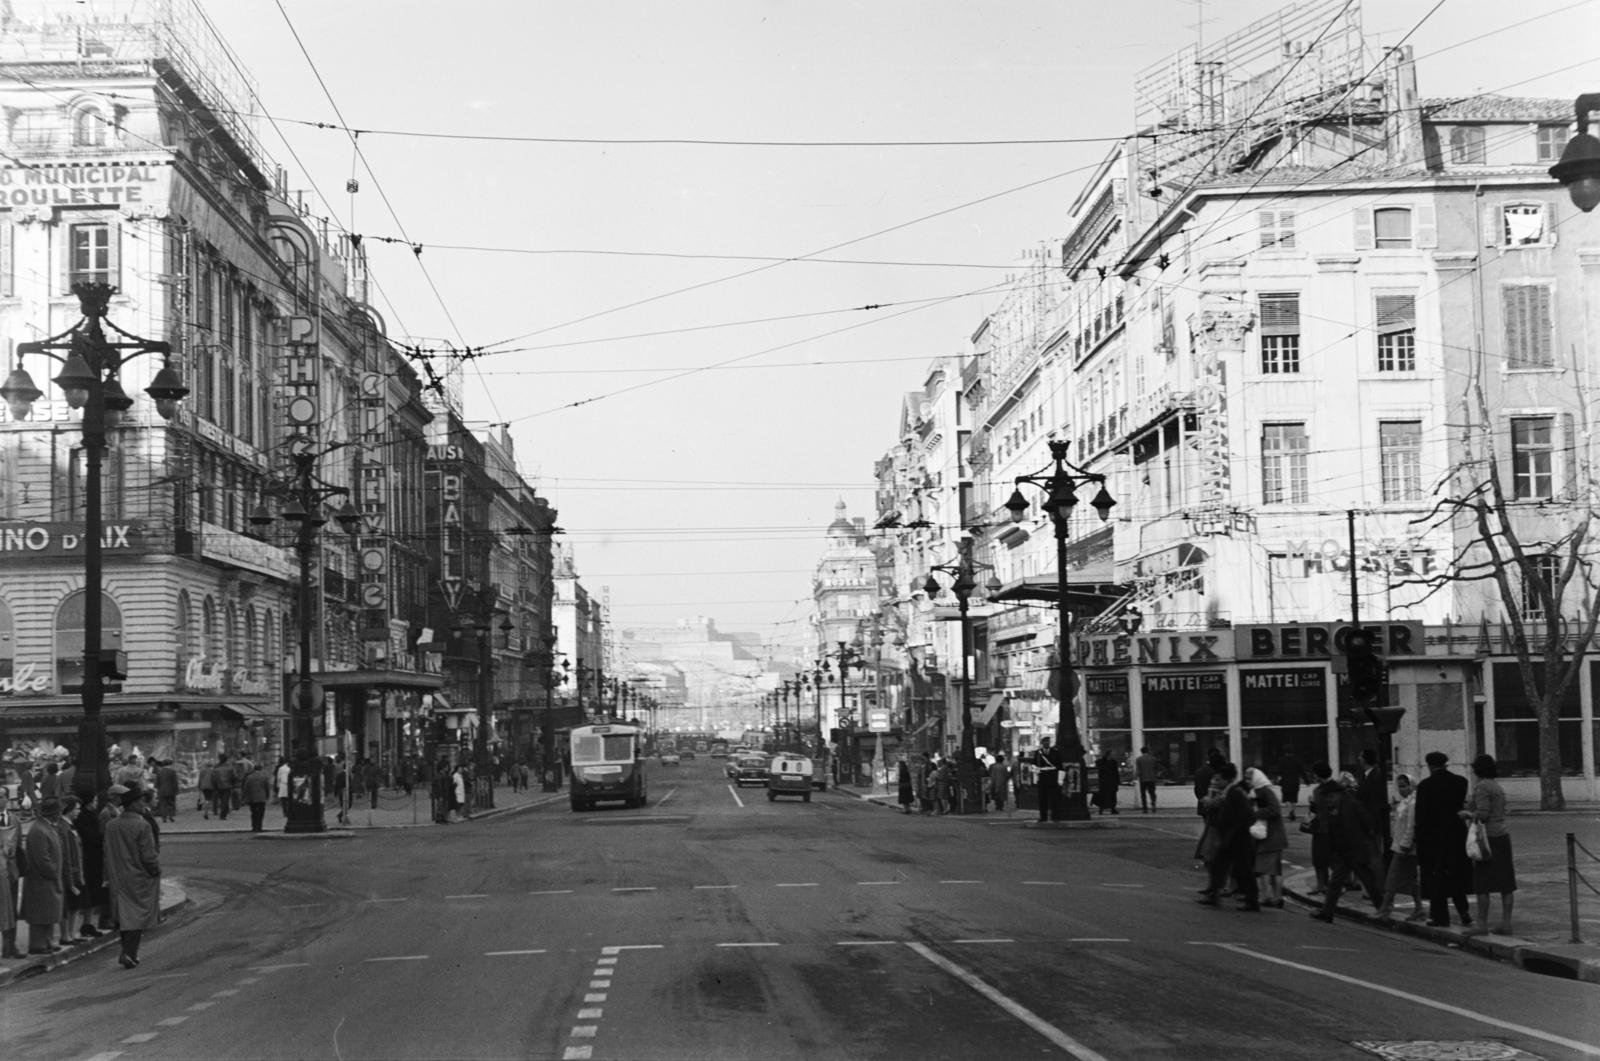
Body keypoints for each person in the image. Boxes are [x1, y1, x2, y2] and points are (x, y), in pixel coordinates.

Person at [1310, 770, 1384, 923]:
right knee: (1335, 883)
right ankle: (1327, 912)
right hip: (1346, 852)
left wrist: (1365, 844)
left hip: (1356, 851)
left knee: (1369, 882)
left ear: (1337, 794)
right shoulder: (1336, 806)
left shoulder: (1351, 805)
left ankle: (1382, 910)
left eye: (1330, 797)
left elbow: (1367, 822)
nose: (1328, 800)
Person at [1413, 751, 1473, 928]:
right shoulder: (1460, 782)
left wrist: (1419, 837)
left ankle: (1440, 916)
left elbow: (1421, 815)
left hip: (1434, 837)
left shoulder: (1426, 786)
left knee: (1436, 878)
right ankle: (1464, 911)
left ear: (1430, 766)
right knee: (1456, 875)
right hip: (1456, 834)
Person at [104, 787, 160, 969]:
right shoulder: (142, 825)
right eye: (141, 802)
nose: (144, 805)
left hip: (117, 875)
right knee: (137, 915)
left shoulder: (111, 825)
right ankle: (129, 952)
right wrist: (154, 870)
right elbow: (148, 854)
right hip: (137, 875)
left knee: (124, 915)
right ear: (134, 804)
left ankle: (127, 951)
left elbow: (106, 852)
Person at [1462, 754, 1516, 936]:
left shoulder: (1482, 786)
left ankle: (1482, 923)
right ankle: (1506, 923)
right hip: (1502, 834)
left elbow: (1483, 814)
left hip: (1487, 838)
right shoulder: (1497, 786)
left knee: (1482, 882)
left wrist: (1467, 814)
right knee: (1505, 882)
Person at [1376, 773, 1425, 921]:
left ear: (1411, 786)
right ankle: (1418, 907)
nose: (1402, 789)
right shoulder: (1404, 802)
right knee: (1411, 879)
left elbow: (1411, 826)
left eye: (1404, 786)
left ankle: (1385, 907)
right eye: (1400, 787)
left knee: (1392, 877)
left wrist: (1405, 844)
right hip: (1400, 845)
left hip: (1405, 847)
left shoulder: (1413, 803)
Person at [22, 796, 65, 954]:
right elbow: (42, 858)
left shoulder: (47, 827)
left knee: (49, 913)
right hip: (42, 879)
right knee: (41, 914)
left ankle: (47, 941)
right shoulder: (39, 830)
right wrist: (53, 871)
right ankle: (38, 944)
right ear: (54, 813)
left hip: (49, 879)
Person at [1245, 767, 1287, 907]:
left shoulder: (1266, 792)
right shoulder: (1256, 792)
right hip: (1269, 836)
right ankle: (1277, 897)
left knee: (1263, 867)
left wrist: (1256, 812)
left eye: (1249, 778)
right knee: (1274, 869)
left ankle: (1267, 896)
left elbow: (1274, 810)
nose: (1247, 781)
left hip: (1270, 836)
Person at [73, 791, 107, 940]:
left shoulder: (89, 816)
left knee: (92, 893)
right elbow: (89, 837)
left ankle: (88, 923)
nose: (96, 803)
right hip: (88, 859)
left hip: (93, 858)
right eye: (94, 800)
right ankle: (86, 924)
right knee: (89, 892)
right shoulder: (83, 818)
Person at [55, 796, 85, 946]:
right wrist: (70, 879)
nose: (79, 811)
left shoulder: (69, 826)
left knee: (75, 905)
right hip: (70, 873)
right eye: (77, 808)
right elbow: (66, 854)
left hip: (75, 871)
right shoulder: (64, 828)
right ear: (70, 809)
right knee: (68, 905)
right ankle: (66, 935)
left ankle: (71, 934)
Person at [1356, 748, 1392, 856]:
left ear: (1365, 759)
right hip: (1370, 820)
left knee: (1373, 852)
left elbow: (1373, 800)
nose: (1359, 759)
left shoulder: (1375, 776)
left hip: (1372, 820)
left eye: (1361, 756)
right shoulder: (1368, 775)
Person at [0, 787, 22, 959]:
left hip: (11, 870)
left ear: (7, 798)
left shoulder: (14, 819)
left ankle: (10, 947)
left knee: (12, 909)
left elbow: (19, 846)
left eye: (1, 797)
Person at [1033, 739, 1062, 822]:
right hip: (1042, 778)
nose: (1047, 743)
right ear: (1042, 743)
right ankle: (1043, 817)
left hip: (1053, 778)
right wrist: (1036, 776)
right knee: (1042, 799)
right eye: (1045, 742)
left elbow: (1059, 766)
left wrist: (1060, 779)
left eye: (1048, 742)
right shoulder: (1038, 753)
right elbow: (1034, 765)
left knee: (1054, 799)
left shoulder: (1055, 752)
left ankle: (1055, 816)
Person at [1275, 744, 1306, 821]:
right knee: (1294, 798)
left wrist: (1278, 780)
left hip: (1285, 782)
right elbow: (1301, 771)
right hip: (1295, 781)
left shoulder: (1281, 760)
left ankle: (1290, 810)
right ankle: (1293, 811)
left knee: (1286, 798)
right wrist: (1306, 780)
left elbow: (1279, 772)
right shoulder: (1297, 760)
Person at [241, 761, 272, 833]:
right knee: (261, 813)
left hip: (252, 798)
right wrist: (267, 795)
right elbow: (267, 787)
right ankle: (259, 826)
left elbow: (246, 787)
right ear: (261, 769)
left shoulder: (249, 777)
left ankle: (254, 826)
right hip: (261, 798)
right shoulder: (264, 776)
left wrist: (244, 797)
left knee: (253, 813)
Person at [1092, 750, 1120, 815]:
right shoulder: (1112, 762)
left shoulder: (1102, 762)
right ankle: (1109, 809)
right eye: (1112, 754)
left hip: (1107, 782)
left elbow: (1115, 773)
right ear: (1109, 755)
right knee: (1107, 796)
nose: (1113, 755)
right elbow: (1115, 773)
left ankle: (1108, 809)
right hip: (1107, 782)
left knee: (1108, 796)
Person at [1134, 746, 1160, 813]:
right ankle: (1153, 804)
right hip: (1152, 778)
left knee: (1143, 794)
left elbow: (1138, 770)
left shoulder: (1139, 759)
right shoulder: (1153, 758)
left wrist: (1135, 777)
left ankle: (1145, 808)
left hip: (1143, 779)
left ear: (1141, 752)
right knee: (1152, 792)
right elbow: (1157, 768)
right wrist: (1156, 775)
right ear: (1148, 751)